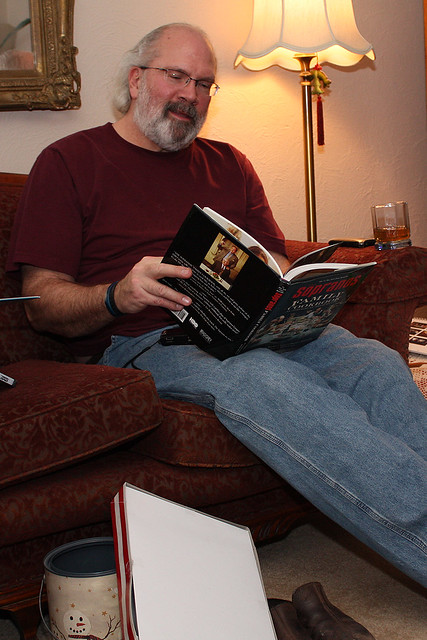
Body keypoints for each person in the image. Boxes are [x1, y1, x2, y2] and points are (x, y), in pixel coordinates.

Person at [6, 23, 426, 589]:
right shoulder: (69, 161)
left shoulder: (229, 162)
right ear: (136, 80)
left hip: (253, 327)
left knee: (374, 362)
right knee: (266, 381)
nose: (192, 95)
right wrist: (117, 294)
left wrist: (286, 286)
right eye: (177, 76)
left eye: (204, 84)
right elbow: (40, 302)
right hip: (148, 340)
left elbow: (276, 257)